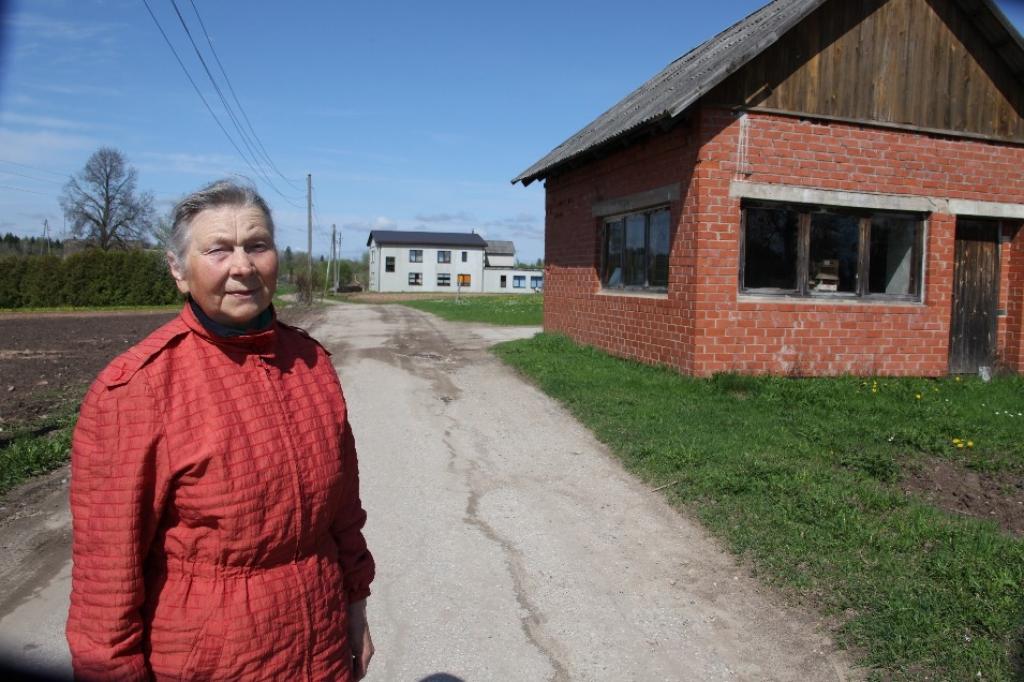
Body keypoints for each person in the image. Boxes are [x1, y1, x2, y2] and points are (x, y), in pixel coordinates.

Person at [66, 180, 375, 681]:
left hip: (320, 648)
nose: (243, 267)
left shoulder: (312, 362)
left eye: (257, 245)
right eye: (218, 250)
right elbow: (106, 581)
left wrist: (356, 607)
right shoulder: (136, 390)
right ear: (178, 271)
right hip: (212, 660)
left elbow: (343, 512)